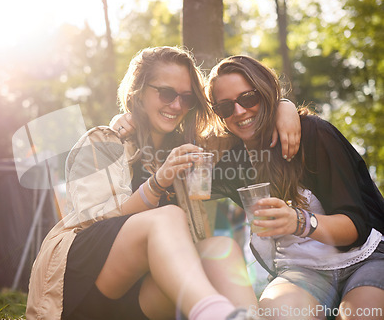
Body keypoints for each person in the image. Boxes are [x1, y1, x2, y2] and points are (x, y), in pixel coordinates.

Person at [26, 46, 267, 320]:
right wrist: (157, 183)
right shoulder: (104, 141)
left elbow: (244, 129)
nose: (176, 105)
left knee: (222, 249)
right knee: (166, 217)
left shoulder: (189, 150)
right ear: (138, 91)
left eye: (187, 98)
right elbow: (94, 222)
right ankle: (215, 313)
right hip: (84, 287)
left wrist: (283, 108)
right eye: (166, 93)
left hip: (143, 294)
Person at [207, 55, 384, 319]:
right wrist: (124, 126)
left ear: (265, 93)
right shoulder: (234, 161)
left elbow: (356, 229)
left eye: (248, 98)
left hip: (363, 258)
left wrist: (298, 222)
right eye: (225, 107)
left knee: (361, 314)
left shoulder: (312, 133)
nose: (239, 112)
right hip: (301, 270)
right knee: (277, 313)